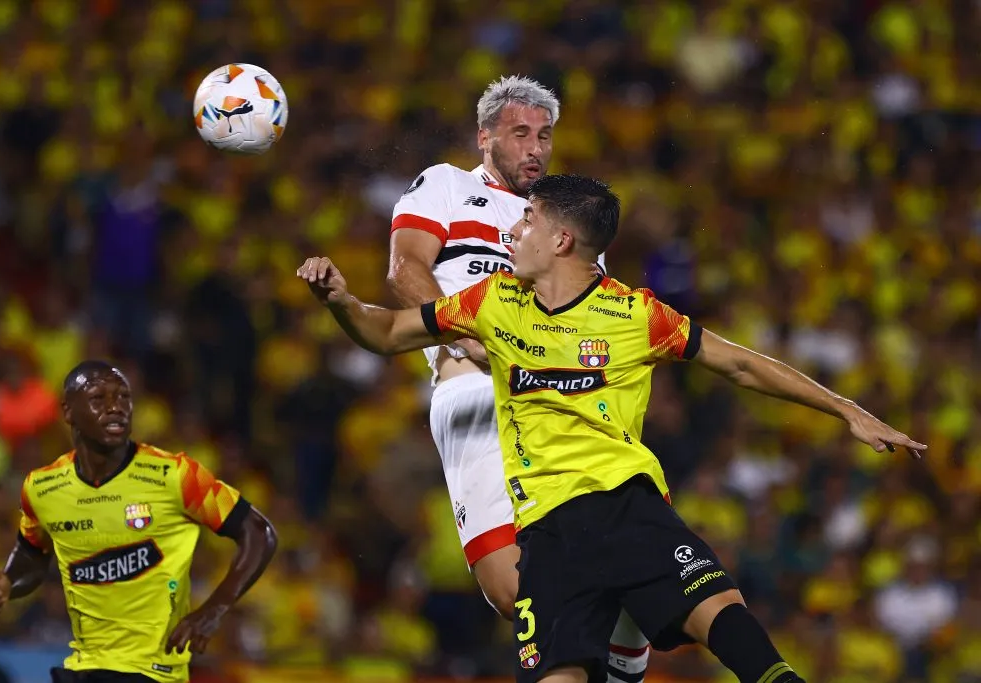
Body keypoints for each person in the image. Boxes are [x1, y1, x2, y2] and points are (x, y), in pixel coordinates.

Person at [298, 173, 926, 683]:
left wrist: (847, 409)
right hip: (544, 537)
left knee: (722, 615)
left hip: (626, 508)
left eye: (527, 222)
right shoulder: (491, 302)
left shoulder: (634, 313)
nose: (511, 231)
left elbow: (738, 363)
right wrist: (340, 303)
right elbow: (385, 336)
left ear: (562, 241)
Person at [387, 75, 649, 682]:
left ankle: (623, 666)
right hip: (472, 390)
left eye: (545, 136)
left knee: (629, 569)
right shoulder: (446, 186)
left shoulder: (563, 220)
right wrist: (474, 342)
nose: (536, 148)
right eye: (520, 134)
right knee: (512, 591)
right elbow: (406, 270)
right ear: (485, 137)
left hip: (555, 397)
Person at [0, 361, 278, 683]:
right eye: (98, 399)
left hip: (152, 672)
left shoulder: (176, 475)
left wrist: (212, 610)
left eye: (123, 397)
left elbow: (259, 533)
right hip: (84, 668)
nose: (115, 407)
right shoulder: (43, 488)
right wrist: (7, 583)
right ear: (68, 412)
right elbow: (33, 554)